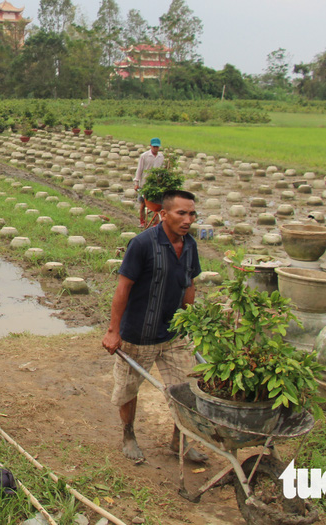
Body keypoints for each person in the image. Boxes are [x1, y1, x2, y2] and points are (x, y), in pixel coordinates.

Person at [102, 189, 207, 463]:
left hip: (174, 334)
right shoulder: (142, 244)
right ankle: (128, 434)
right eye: (181, 213)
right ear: (163, 214)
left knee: (186, 390)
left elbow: (190, 284)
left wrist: (189, 318)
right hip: (139, 333)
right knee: (129, 390)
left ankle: (179, 440)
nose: (188, 219)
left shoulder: (190, 246)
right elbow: (123, 287)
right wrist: (114, 331)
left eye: (192, 213)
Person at [134, 138, 165, 226]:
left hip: (156, 185)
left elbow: (162, 170)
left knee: (157, 204)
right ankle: (142, 222)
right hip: (145, 184)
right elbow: (139, 169)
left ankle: (156, 222)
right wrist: (136, 183)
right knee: (143, 203)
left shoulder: (161, 157)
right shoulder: (144, 156)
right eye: (154, 146)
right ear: (150, 146)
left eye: (157, 147)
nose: (155, 148)